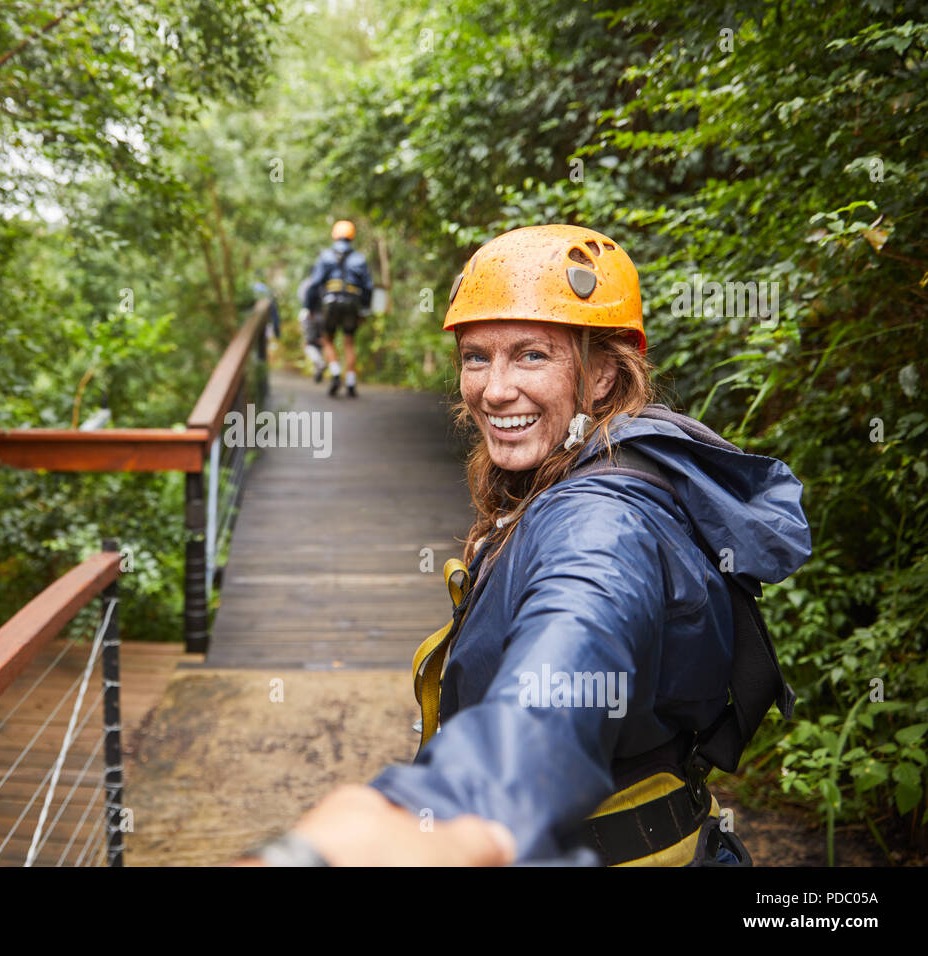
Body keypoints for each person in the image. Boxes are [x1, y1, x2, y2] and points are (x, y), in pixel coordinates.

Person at [241, 224, 811, 866]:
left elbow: (570, 649)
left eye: (532, 355)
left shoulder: (601, 521)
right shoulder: (601, 468)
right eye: (476, 357)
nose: (493, 388)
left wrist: (466, 813)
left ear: (599, 376)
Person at [302, 219, 373, 397]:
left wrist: (310, 308)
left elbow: (314, 284)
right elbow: (368, 287)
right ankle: (350, 382)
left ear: (334, 236)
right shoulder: (359, 258)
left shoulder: (326, 256)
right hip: (352, 303)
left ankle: (335, 373)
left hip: (331, 302)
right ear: (351, 237)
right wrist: (364, 309)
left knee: (328, 339)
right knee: (349, 342)